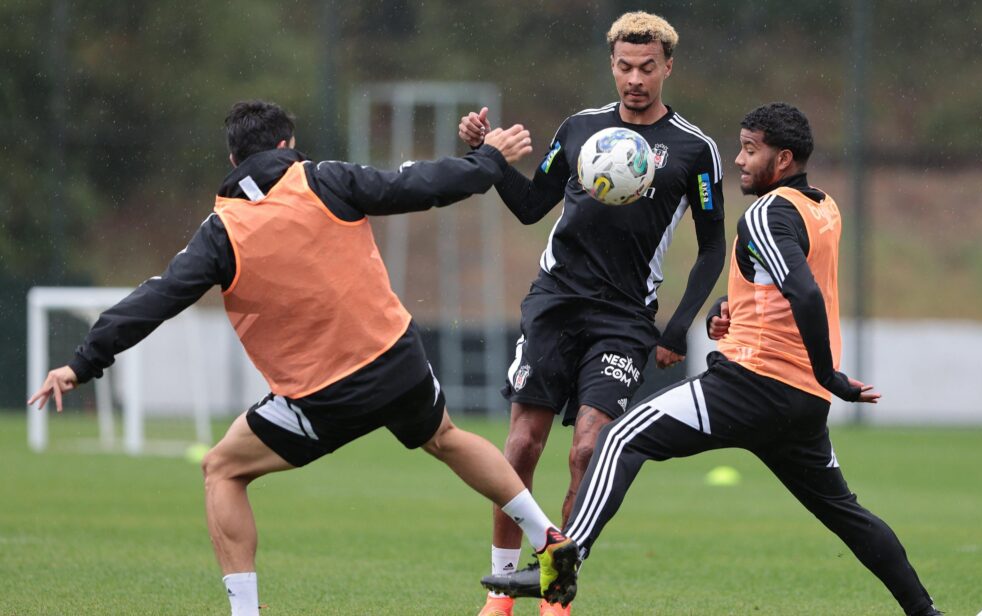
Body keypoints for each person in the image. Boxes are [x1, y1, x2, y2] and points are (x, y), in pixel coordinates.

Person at [28, 100, 580, 615]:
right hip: (393, 357)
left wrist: (82, 362)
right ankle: (549, 537)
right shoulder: (324, 178)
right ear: (288, 143)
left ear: (232, 159)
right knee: (447, 439)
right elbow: (416, 185)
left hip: (320, 397)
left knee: (222, 469)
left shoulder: (221, 233)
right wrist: (486, 162)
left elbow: (155, 300)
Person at [483, 103, 943, 616]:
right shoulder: (824, 207)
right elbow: (777, 287)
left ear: (783, 158)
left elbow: (806, 294)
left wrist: (830, 372)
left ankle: (560, 565)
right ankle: (926, 612)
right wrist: (731, 313)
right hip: (801, 405)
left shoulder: (766, 212)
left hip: (752, 384)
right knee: (846, 513)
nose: (740, 161)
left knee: (617, 440)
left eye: (751, 150)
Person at [458, 11, 726, 616]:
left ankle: (555, 591)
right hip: (555, 303)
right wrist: (487, 155)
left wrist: (678, 326)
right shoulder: (579, 129)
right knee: (523, 442)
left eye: (648, 67)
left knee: (587, 450)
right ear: (612, 64)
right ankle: (502, 592)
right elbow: (531, 207)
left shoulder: (694, 149)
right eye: (626, 67)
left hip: (626, 318)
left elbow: (713, 246)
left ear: (668, 67)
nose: (636, 78)